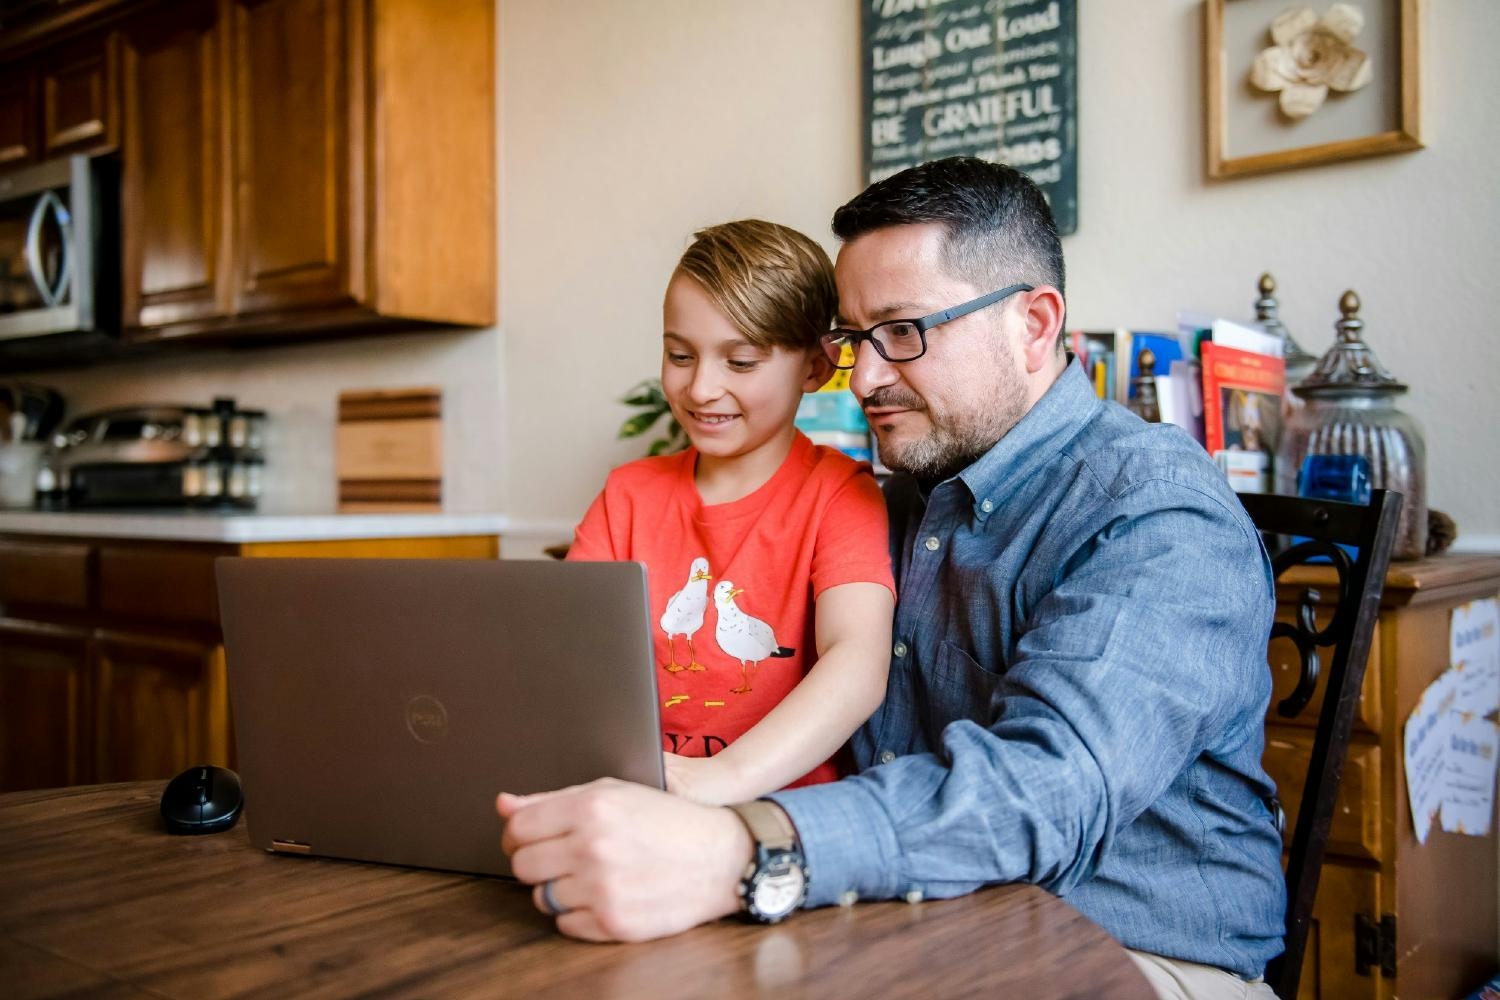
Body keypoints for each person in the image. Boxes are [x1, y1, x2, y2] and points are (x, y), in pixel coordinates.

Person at [499, 159, 1285, 1000]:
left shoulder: (1155, 512)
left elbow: (1045, 790)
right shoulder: (900, 496)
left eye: (904, 332)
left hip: (1139, 956)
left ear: (1034, 322)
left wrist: (740, 846)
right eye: (854, 339)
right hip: (916, 924)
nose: (865, 377)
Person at [565, 218, 897, 806]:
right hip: (640, 801)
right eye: (680, 355)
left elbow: (857, 661)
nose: (700, 388)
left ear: (817, 367)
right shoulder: (628, 495)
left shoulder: (840, 493)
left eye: (740, 362)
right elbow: (564, 651)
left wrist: (719, 781)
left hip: (782, 819)